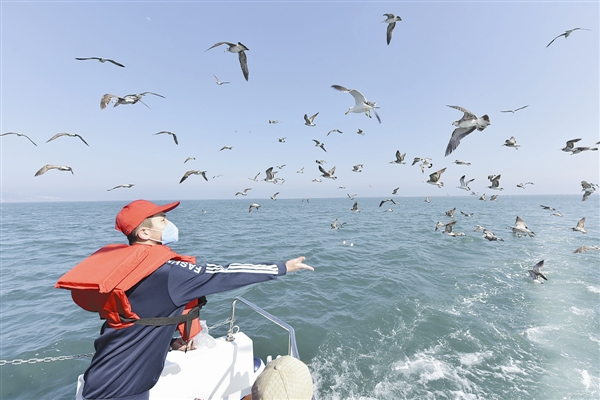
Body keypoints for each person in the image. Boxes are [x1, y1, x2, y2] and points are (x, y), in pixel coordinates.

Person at [56, 199, 313, 400]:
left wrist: (168, 341)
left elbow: (144, 315)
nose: (169, 225)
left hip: (104, 377)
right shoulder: (169, 274)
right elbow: (223, 274)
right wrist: (281, 267)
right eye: (163, 220)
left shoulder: (128, 269)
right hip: (123, 389)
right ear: (144, 233)